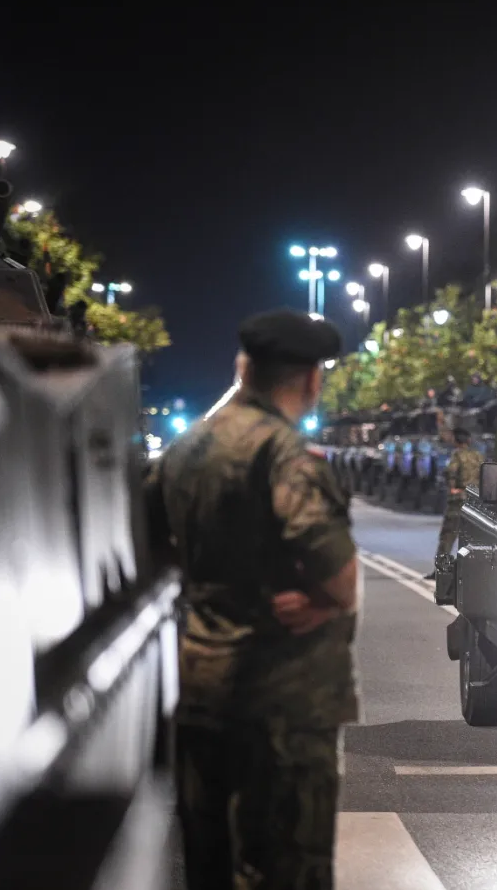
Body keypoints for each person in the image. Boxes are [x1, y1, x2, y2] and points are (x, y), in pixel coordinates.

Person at [143, 308, 358, 890]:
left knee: (209, 863)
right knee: (289, 868)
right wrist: (316, 603)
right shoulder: (284, 454)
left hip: (202, 689)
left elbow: (152, 549)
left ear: (243, 368)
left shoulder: (186, 449)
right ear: (313, 380)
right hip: (282, 699)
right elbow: (340, 578)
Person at [427, 425, 483, 582]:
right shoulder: (478, 456)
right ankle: (474, 571)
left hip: (458, 500)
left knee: (448, 537)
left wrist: (453, 488)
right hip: (476, 501)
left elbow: (451, 472)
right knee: (473, 538)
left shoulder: (456, 456)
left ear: (456, 440)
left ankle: (441, 571)